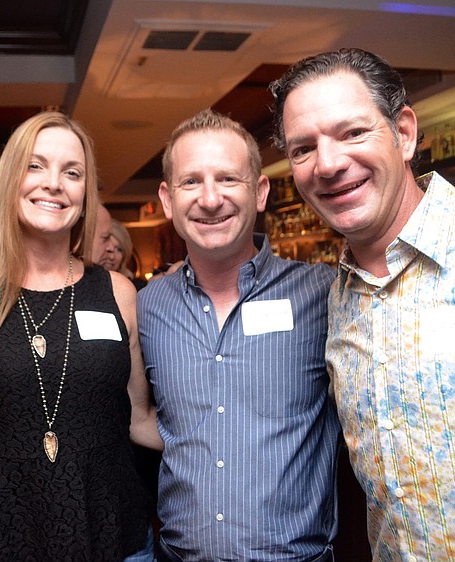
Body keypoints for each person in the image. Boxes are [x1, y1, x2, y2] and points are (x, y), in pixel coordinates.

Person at [271, 47, 455, 559]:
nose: (329, 163)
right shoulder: (336, 296)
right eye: (303, 149)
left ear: (404, 133)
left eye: (352, 132)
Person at [0, 111, 161, 561]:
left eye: (71, 172)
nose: (53, 183)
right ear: (9, 179)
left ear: (85, 193)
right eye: (35, 166)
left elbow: (135, 417)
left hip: (111, 533)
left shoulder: (118, 292)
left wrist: (228, 437)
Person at [137, 109, 341, 561]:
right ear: (168, 200)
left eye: (228, 179)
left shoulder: (323, 295)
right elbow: (145, 419)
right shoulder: (148, 306)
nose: (210, 200)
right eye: (191, 182)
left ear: (260, 191)